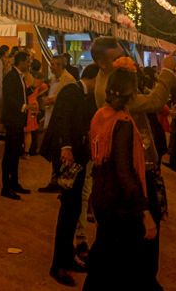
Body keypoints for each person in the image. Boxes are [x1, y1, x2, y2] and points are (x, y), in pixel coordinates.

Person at [91, 37, 176, 290]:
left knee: (110, 246)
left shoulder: (109, 98)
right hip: (132, 182)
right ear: (102, 64)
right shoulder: (119, 106)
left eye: (124, 57)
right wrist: (168, 72)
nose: (125, 62)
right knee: (135, 242)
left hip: (113, 187)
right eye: (118, 59)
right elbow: (124, 169)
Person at [84, 57, 157, 291]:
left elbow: (97, 156)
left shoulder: (100, 116)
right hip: (120, 203)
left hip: (102, 195)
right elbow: (124, 170)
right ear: (132, 94)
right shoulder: (123, 122)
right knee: (121, 264)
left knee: (104, 254)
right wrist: (143, 209)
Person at [41, 63, 98, 287]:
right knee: (67, 212)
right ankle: (58, 265)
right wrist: (66, 147)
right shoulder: (72, 90)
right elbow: (62, 120)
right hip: (67, 159)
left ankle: (67, 257)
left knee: (74, 210)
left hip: (79, 160)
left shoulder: (85, 96)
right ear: (94, 79)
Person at [38, 55, 76, 193]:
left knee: (58, 152)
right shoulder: (53, 79)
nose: (51, 67)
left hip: (60, 121)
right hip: (50, 118)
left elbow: (65, 100)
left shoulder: (69, 80)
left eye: (53, 64)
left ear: (60, 66)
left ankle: (61, 182)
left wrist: (51, 100)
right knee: (53, 153)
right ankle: (56, 180)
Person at [74, 64, 100, 263]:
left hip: (95, 155)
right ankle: (81, 239)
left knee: (86, 193)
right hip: (87, 154)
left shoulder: (95, 97)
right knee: (83, 194)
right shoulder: (81, 94)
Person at [0, 51, 33, 199]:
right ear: (20, 62)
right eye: (27, 61)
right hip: (12, 120)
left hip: (18, 120)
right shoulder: (11, 77)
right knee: (10, 154)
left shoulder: (19, 76)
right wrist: (24, 106)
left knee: (15, 154)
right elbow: (10, 98)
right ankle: (6, 187)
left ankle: (14, 183)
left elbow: (21, 94)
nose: (29, 64)